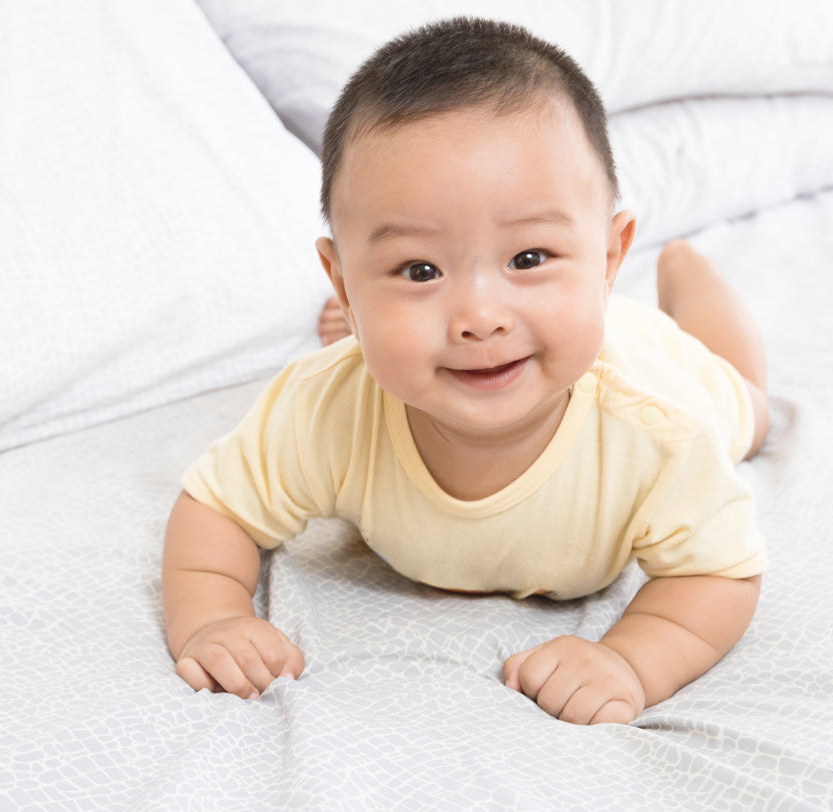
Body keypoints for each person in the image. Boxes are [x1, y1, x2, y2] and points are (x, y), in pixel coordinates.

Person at [161, 17, 769, 725]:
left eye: (529, 258)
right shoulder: (324, 407)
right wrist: (212, 616)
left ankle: (688, 270)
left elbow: (719, 572)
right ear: (346, 285)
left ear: (608, 257)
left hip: (652, 357)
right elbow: (217, 508)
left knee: (747, 407)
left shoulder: (662, 426)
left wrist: (629, 659)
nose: (479, 315)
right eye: (419, 270)